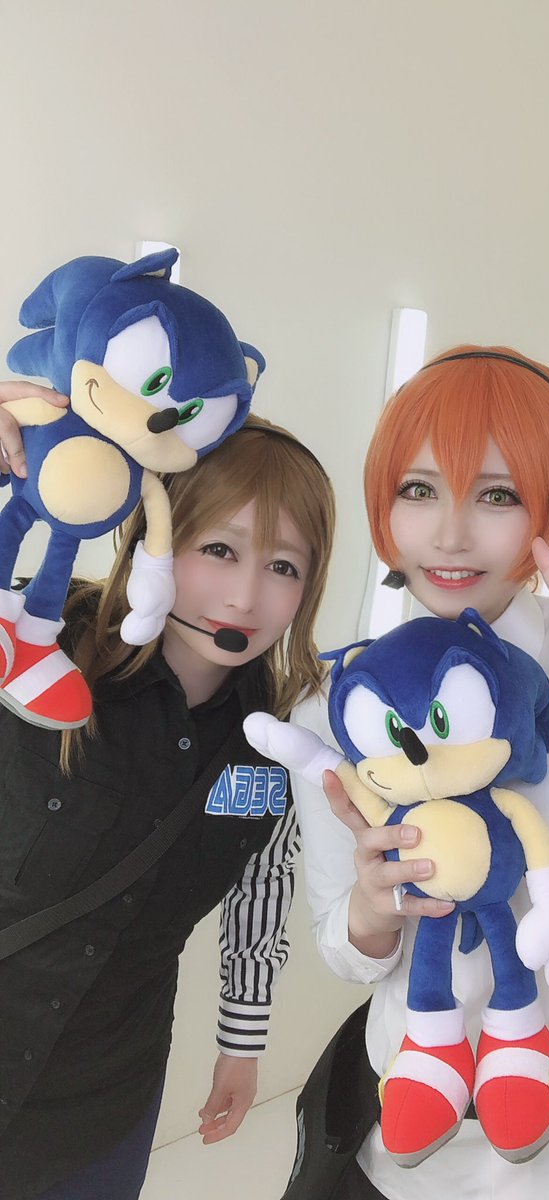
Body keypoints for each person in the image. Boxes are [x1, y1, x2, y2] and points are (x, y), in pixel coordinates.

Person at [289, 347, 549, 1200]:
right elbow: (342, 949)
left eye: (496, 495)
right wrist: (369, 909)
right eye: (417, 489)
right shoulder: (340, 708)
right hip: (417, 1157)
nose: (450, 534)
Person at [0, 383, 336, 1200]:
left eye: (282, 566)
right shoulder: (38, 645)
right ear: (158, 533)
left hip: (101, 1107)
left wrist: (241, 1043)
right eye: (219, 549)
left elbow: (261, 883)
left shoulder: (277, 740)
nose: (245, 597)